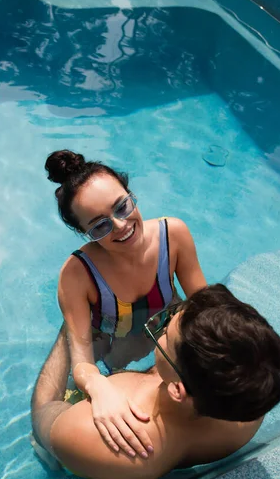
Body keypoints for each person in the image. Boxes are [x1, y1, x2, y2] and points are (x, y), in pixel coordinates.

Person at [31, 284, 280, 479]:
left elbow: (43, 411)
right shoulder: (250, 393)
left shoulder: (97, 436)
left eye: (164, 333)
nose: (161, 328)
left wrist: (74, 326)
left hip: (77, 453)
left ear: (178, 389)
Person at [44, 149, 206, 459]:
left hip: (161, 334)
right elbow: (82, 359)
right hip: (109, 344)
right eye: (100, 226)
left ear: (131, 194)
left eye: (122, 206)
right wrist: (99, 387)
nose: (120, 225)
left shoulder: (174, 235)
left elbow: (207, 307)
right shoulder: (77, 274)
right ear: (85, 233)